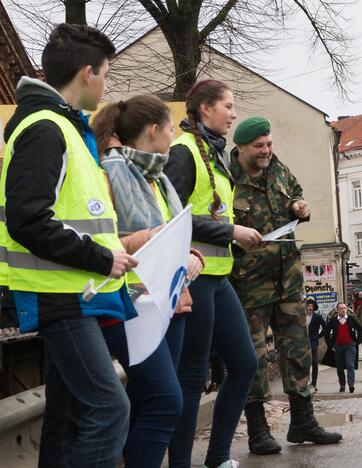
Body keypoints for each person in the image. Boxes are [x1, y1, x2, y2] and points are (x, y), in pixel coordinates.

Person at [1, 23, 137, 466]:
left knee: (62, 418)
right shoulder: (47, 129)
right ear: (87, 73)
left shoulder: (65, 128)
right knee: (109, 407)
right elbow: (28, 220)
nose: (106, 83)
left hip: (75, 290)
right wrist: (100, 257)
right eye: (106, 73)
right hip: (64, 296)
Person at [92, 95, 207, 467]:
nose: (174, 136)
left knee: (148, 400)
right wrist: (156, 239)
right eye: (171, 128)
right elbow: (103, 245)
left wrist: (192, 257)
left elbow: (176, 233)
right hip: (133, 302)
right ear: (154, 130)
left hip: (170, 300)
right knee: (165, 401)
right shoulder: (110, 173)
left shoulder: (156, 176)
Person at [229, 116, 341, 455]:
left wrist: (299, 207)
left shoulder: (279, 169)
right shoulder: (226, 177)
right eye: (258, 146)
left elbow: (295, 197)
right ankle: (258, 430)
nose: (266, 151)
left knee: (298, 349)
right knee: (254, 356)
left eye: (269, 144)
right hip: (250, 283)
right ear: (241, 148)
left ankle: (302, 422)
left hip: (289, 278)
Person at [164, 80, 259, 468]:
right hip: (193, 278)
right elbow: (173, 217)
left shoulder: (214, 152)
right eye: (228, 106)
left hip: (218, 275)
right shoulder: (184, 152)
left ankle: (217, 457)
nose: (234, 114)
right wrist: (230, 231)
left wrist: (240, 233)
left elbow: (214, 210)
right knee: (191, 376)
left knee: (245, 365)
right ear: (205, 109)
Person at [324, 302, 362, 393]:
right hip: (337, 347)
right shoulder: (333, 320)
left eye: (344, 308)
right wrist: (330, 345)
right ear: (337, 310)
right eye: (341, 308)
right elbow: (326, 333)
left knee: (350, 365)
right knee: (340, 368)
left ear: (346, 309)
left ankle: (351, 385)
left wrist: (357, 342)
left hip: (350, 346)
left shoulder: (351, 319)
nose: (343, 310)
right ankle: (342, 385)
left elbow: (360, 330)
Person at [306, 298, 325, 390]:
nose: (310, 308)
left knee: (314, 362)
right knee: (304, 363)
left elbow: (325, 327)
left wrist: (318, 336)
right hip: (303, 343)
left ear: (314, 308)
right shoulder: (301, 317)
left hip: (313, 342)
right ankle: (305, 383)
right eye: (308, 306)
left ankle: (314, 383)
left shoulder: (317, 317)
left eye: (312, 307)